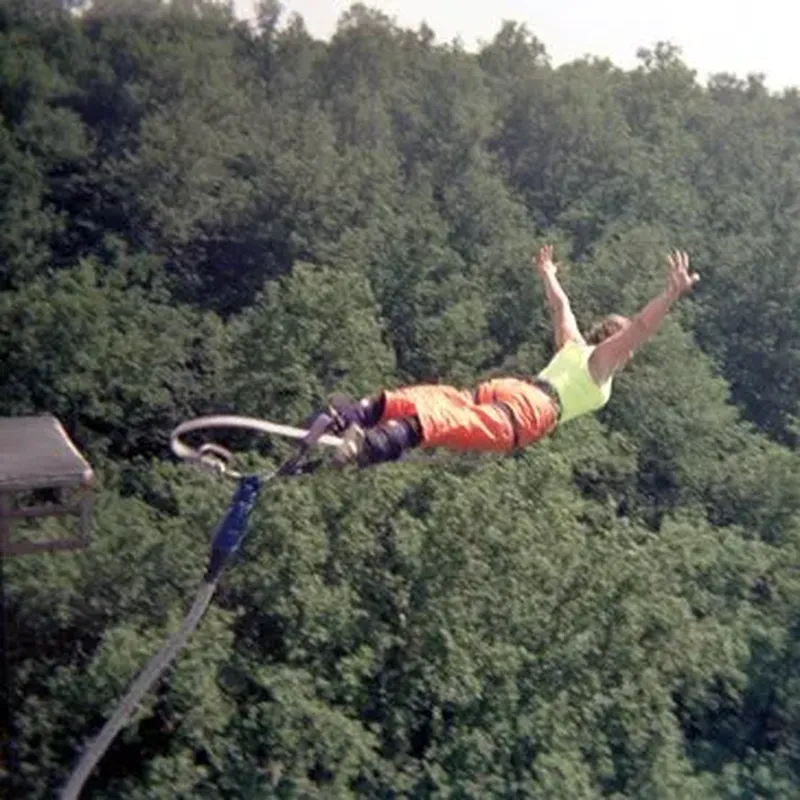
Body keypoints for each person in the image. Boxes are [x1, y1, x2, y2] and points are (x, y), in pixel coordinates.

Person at [321, 245, 699, 468]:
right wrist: (670, 295)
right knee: (453, 422)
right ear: (619, 346)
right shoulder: (601, 364)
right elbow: (641, 328)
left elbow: (560, 305)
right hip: (533, 409)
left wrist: (547, 271)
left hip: (512, 388)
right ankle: (375, 443)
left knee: (445, 398)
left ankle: (356, 414)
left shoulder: (573, 346)